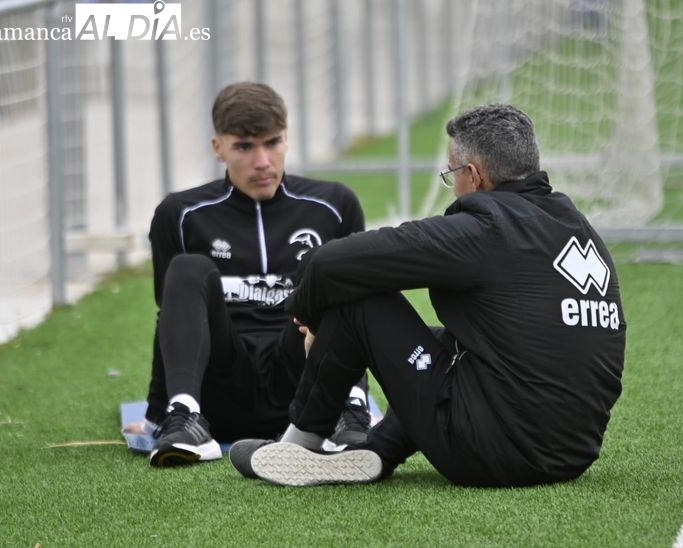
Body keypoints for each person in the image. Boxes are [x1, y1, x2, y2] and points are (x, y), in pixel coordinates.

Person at [230, 103, 626, 487]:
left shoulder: (485, 228)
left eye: (451, 172)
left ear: (474, 175)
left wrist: (311, 318)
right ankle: (380, 450)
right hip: (573, 453)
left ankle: (299, 444)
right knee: (451, 343)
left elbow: (328, 264)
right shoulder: (576, 227)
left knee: (360, 299)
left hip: (491, 454)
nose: (453, 185)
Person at [123, 81, 371, 467]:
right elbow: (171, 317)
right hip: (222, 389)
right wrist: (158, 414)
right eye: (244, 147)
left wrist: (352, 393)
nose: (262, 161)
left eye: (272, 143)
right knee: (188, 268)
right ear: (218, 148)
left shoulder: (333, 206)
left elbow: (356, 307)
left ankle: (351, 412)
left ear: (286, 138)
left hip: (303, 387)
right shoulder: (181, 214)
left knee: (333, 265)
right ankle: (184, 414)